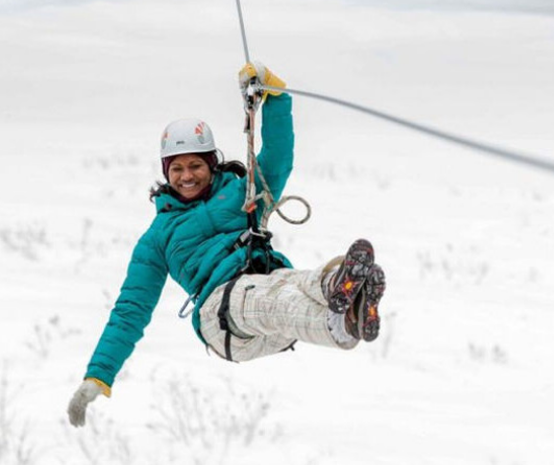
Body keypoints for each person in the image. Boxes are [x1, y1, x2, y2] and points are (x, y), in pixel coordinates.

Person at [67, 63, 386, 428]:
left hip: (268, 295)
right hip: (222, 318)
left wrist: (276, 97)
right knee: (263, 297)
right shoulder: (156, 238)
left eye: (196, 166)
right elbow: (130, 310)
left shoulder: (241, 192)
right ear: (166, 173)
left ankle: (346, 299)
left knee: (292, 283)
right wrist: (98, 376)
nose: (187, 176)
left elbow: (278, 157)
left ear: (212, 164)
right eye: (177, 169)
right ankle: (339, 316)